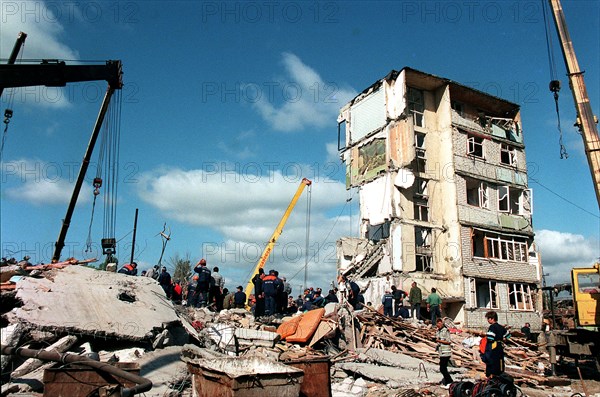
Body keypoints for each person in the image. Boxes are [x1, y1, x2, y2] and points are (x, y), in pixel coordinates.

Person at [481, 311, 509, 378]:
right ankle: (499, 374)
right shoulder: (501, 327)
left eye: (488, 319)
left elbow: (490, 338)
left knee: (491, 360)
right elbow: (508, 336)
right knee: (499, 361)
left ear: (492, 318)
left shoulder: (492, 327)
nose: (488, 320)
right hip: (500, 346)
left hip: (493, 346)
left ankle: (491, 376)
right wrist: (502, 338)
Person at [435, 318, 453, 387]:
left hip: (446, 352)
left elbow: (448, 341)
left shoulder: (445, 331)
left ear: (442, 324)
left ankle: (449, 382)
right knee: (443, 368)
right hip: (441, 352)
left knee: (442, 368)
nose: (438, 324)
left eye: (440, 323)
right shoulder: (438, 331)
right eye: (437, 323)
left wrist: (439, 341)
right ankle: (447, 382)